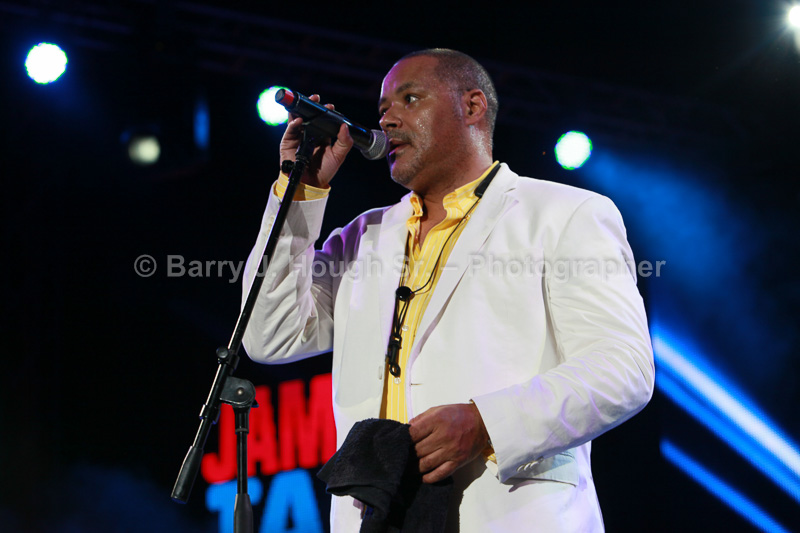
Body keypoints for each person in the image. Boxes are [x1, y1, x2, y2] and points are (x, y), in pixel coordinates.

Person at [242, 48, 654, 532]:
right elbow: (270, 336)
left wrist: (485, 423)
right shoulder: (364, 236)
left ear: (472, 106)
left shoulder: (564, 214)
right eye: (382, 109)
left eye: (410, 99)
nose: (387, 119)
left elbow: (622, 368)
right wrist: (300, 192)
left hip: (506, 514)